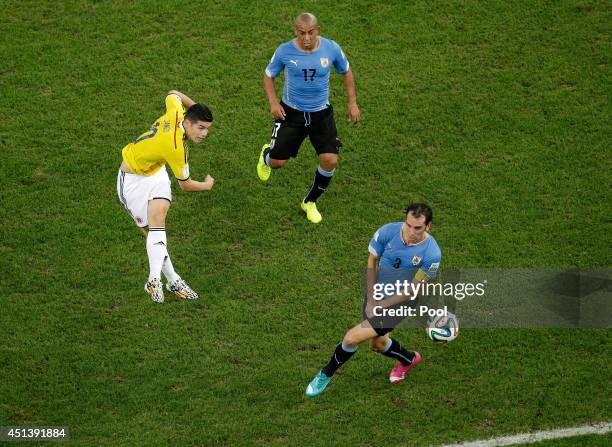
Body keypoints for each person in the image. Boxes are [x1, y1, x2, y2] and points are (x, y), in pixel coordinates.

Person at [305, 203, 442, 397]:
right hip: (377, 293)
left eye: (418, 228)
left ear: (428, 226)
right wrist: (371, 298)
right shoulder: (388, 232)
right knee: (376, 345)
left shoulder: (432, 254)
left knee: (351, 338)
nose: (411, 231)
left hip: (399, 304)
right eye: (408, 225)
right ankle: (409, 359)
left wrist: (380, 306)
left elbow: (412, 290)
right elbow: (372, 261)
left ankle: (325, 374)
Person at [257, 12, 360, 223]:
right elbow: (269, 75)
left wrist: (352, 103)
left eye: (310, 33)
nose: (306, 38)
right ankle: (266, 155)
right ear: (295, 31)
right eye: (302, 33)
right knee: (278, 162)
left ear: (317, 31)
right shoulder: (284, 51)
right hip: (291, 113)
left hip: (321, 113)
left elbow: (346, 72)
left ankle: (310, 201)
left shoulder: (331, 48)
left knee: (330, 159)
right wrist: (274, 103)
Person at [117, 90, 215, 303]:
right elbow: (186, 185)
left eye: (207, 129)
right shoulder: (176, 148)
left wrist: (197, 109)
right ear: (188, 123)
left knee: (158, 221)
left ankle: (154, 280)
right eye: (200, 127)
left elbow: (173, 94)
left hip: (156, 170)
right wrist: (207, 186)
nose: (204, 134)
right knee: (151, 233)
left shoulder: (177, 113)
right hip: (132, 180)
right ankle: (172, 279)